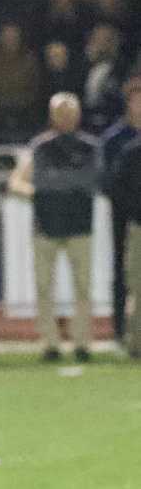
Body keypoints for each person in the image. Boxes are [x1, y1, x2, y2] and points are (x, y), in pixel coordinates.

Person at [8, 93, 98, 362]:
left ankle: (82, 342)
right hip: (46, 225)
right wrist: (46, 189)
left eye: (70, 113)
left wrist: (50, 185)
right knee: (44, 287)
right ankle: (50, 343)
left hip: (79, 225)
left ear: (78, 116)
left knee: (83, 287)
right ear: (52, 116)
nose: (66, 118)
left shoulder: (89, 147)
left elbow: (90, 181)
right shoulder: (39, 147)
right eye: (61, 113)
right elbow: (18, 183)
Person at [100, 77, 141, 343]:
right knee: (123, 271)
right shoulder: (115, 138)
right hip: (125, 213)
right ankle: (120, 330)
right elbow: (108, 180)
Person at [110, 137, 141, 357]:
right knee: (137, 287)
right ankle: (136, 343)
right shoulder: (132, 152)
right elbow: (119, 187)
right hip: (139, 225)